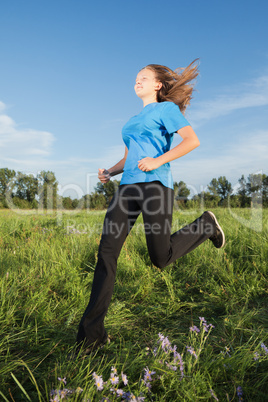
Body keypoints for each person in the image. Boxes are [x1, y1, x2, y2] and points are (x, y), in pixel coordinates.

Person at [76, 60, 225, 352]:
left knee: (160, 257)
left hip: (156, 185)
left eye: (143, 77)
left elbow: (191, 141)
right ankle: (91, 336)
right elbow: (131, 155)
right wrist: (110, 171)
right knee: (107, 253)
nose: (137, 81)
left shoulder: (166, 110)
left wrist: (158, 160)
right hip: (127, 188)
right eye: (135, 78)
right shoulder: (132, 120)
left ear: (158, 85)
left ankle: (205, 225)